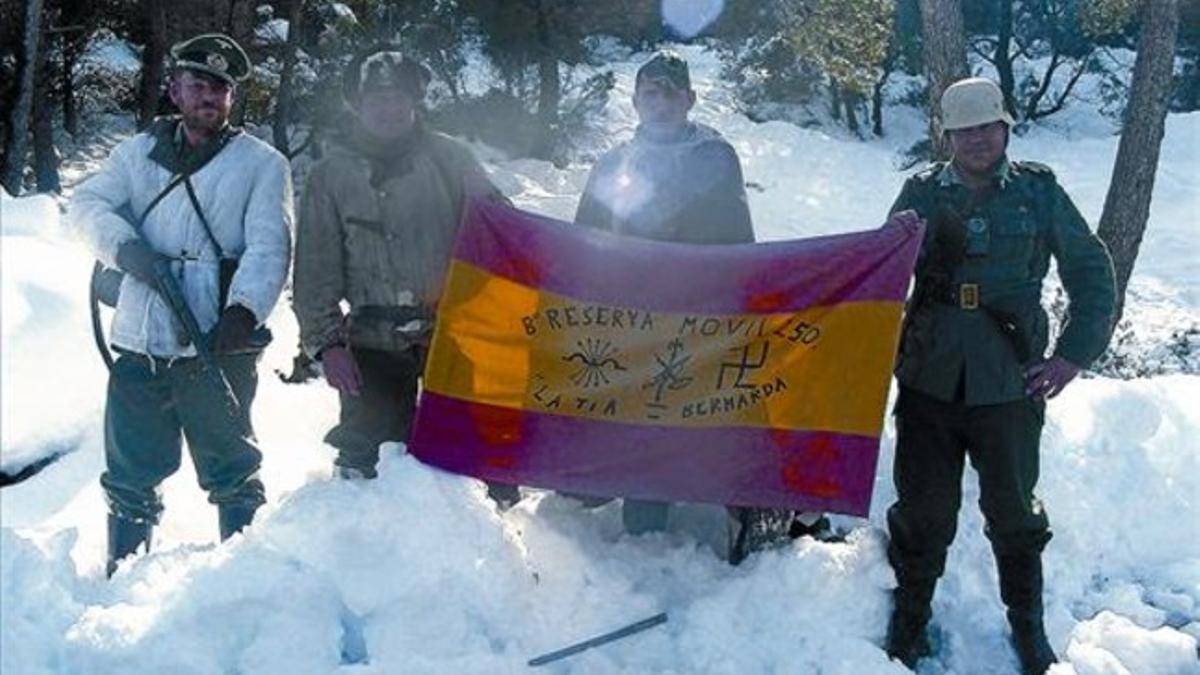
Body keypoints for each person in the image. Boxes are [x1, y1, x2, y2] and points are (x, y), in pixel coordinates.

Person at [880, 77, 1116, 673]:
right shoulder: (922, 192)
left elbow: (1090, 270)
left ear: (1006, 128)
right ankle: (908, 623)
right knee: (922, 513)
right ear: (947, 136)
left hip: (1009, 381)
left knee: (1015, 514)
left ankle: (1028, 630)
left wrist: (1073, 354)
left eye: (987, 126)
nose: (977, 139)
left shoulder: (1038, 193)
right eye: (964, 130)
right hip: (929, 379)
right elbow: (878, 272)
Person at [575, 51, 824, 560]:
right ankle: (645, 535)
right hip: (637, 324)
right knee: (645, 418)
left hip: (707, 318)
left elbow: (738, 242)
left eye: (670, 93)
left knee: (724, 416)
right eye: (649, 92)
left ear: (688, 99)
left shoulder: (716, 157)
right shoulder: (612, 164)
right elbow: (585, 243)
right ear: (635, 100)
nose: (659, 102)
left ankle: (753, 521)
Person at [69, 33, 293, 576]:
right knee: (130, 468)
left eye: (220, 87)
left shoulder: (262, 165)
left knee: (233, 467)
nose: (209, 97)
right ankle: (123, 575)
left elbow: (270, 245)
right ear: (174, 90)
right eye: (197, 84)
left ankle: (243, 583)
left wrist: (243, 313)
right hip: (140, 332)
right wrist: (124, 249)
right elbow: (87, 203)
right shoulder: (136, 154)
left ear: (232, 98)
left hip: (218, 338)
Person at [292, 46, 518, 507]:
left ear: (415, 100)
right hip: (372, 342)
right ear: (357, 102)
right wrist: (327, 344)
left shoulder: (452, 160)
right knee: (366, 464)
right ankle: (372, 563)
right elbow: (314, 272)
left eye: (397, 96)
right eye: (375, 97)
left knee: (473, 462)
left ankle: (498, 563)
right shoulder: (330, 175)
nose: (387, 107)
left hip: (450, 338)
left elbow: (502, 231)